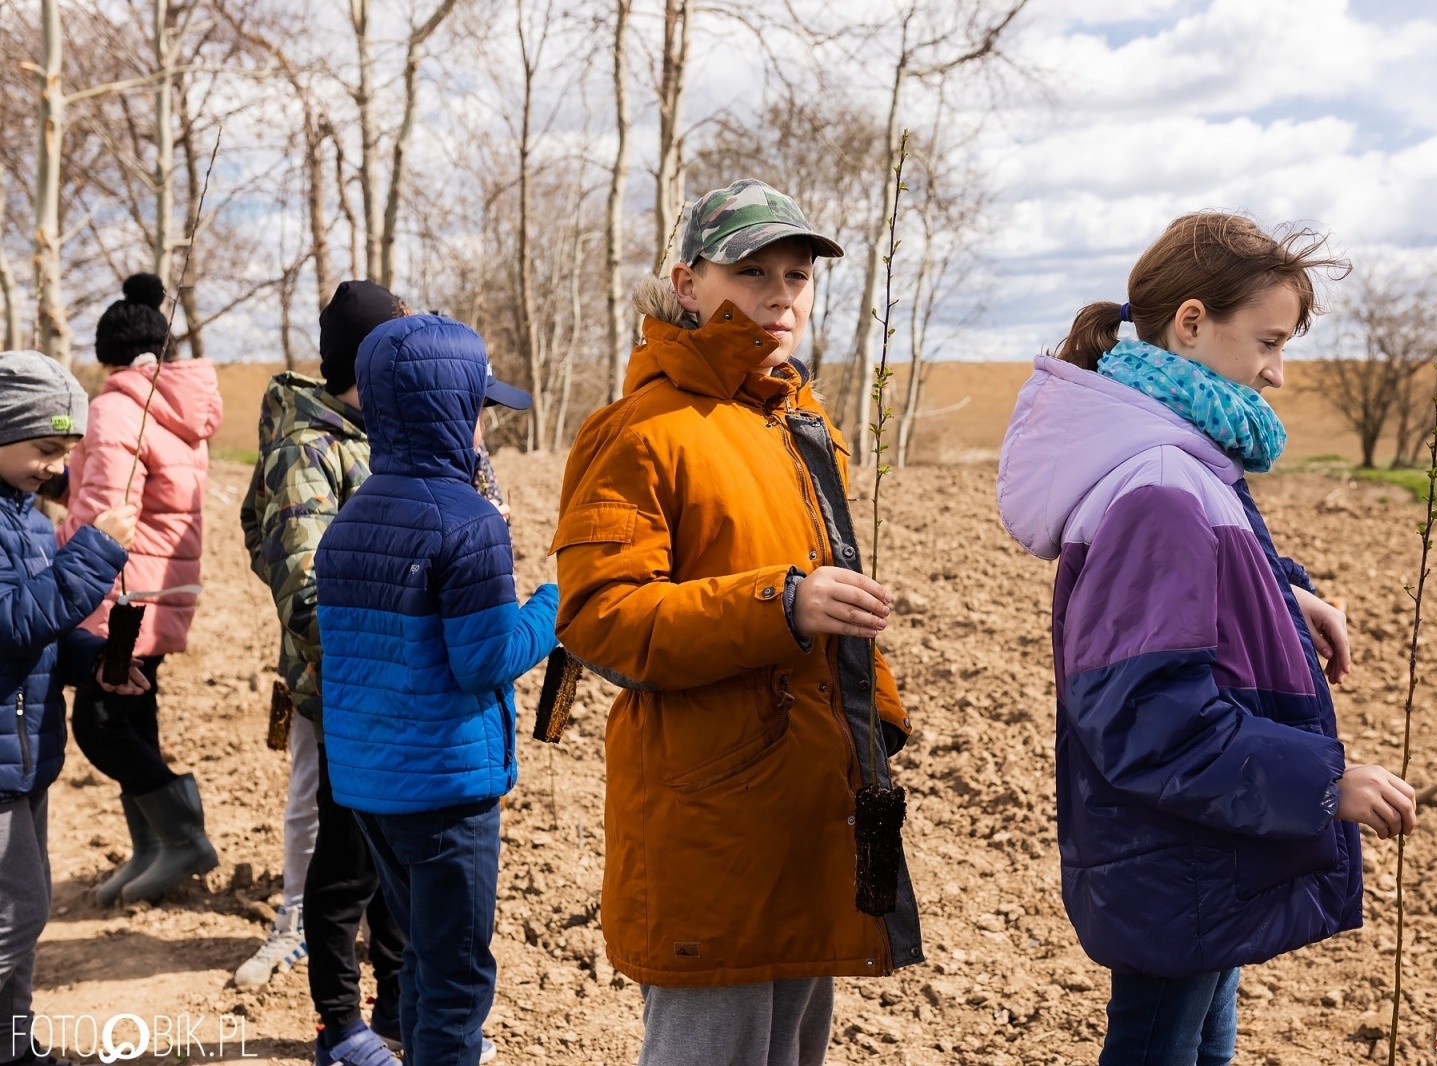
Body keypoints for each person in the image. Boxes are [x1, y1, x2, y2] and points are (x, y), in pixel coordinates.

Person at [995, 212, 1419, 1064]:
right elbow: (1146, 715)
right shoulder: (1160, 483)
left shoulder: (1174, 456)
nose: (1278, 372)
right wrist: (1326, 780)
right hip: (1180, 849)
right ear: (1191, 323)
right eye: (1267, 341)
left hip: (1203, 840)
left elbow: (1184, 596)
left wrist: (1281, 592)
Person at [552, 179, 922, 1066]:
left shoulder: (799, 420)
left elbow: (835, 592)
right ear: (687, 283)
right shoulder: (640, 432)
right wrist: (780, 603)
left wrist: (879, 727)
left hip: (810, 805)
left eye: (796, 275)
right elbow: (600, 618)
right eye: (751, 270)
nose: (780, 293)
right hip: (710, 817)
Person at [315, 313, 557, 1066]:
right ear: (454, 411)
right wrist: (555, 605)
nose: (486, 427)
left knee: (422, 955)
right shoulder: (469, 522)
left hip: (372, 784)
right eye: (482, 409)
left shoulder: (347, 520)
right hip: (449, 788)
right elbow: (485, 660)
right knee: (456, 975)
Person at [235, 281, 406, 1063]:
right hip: (346, 688)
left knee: (396, 860)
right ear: (365, 365)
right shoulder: (309, 449)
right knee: (344, 862)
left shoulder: (390, 432)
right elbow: (300, 582)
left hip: (401, 693)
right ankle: (339, 1023)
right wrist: (371, 665)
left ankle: (399, 1005)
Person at [57, 274, 223, 905]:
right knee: (134, 713)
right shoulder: (178, 410)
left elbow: (107, 508)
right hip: (167, 583)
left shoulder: (115, 408)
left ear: (108, 356)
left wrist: (68, 576)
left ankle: (182, 840)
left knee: (99, 722)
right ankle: (153, 848)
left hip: (120, 590)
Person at [1, 350, 144, 1066]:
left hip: (26, 754)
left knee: (24, 914)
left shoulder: (26, 518)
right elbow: (10, 622)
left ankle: (14, 1044)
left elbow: (38, 637)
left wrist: (96, 666)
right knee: (14, 915)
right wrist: (93, 555)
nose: (55, 467)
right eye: (44, 449)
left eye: (65, 452)